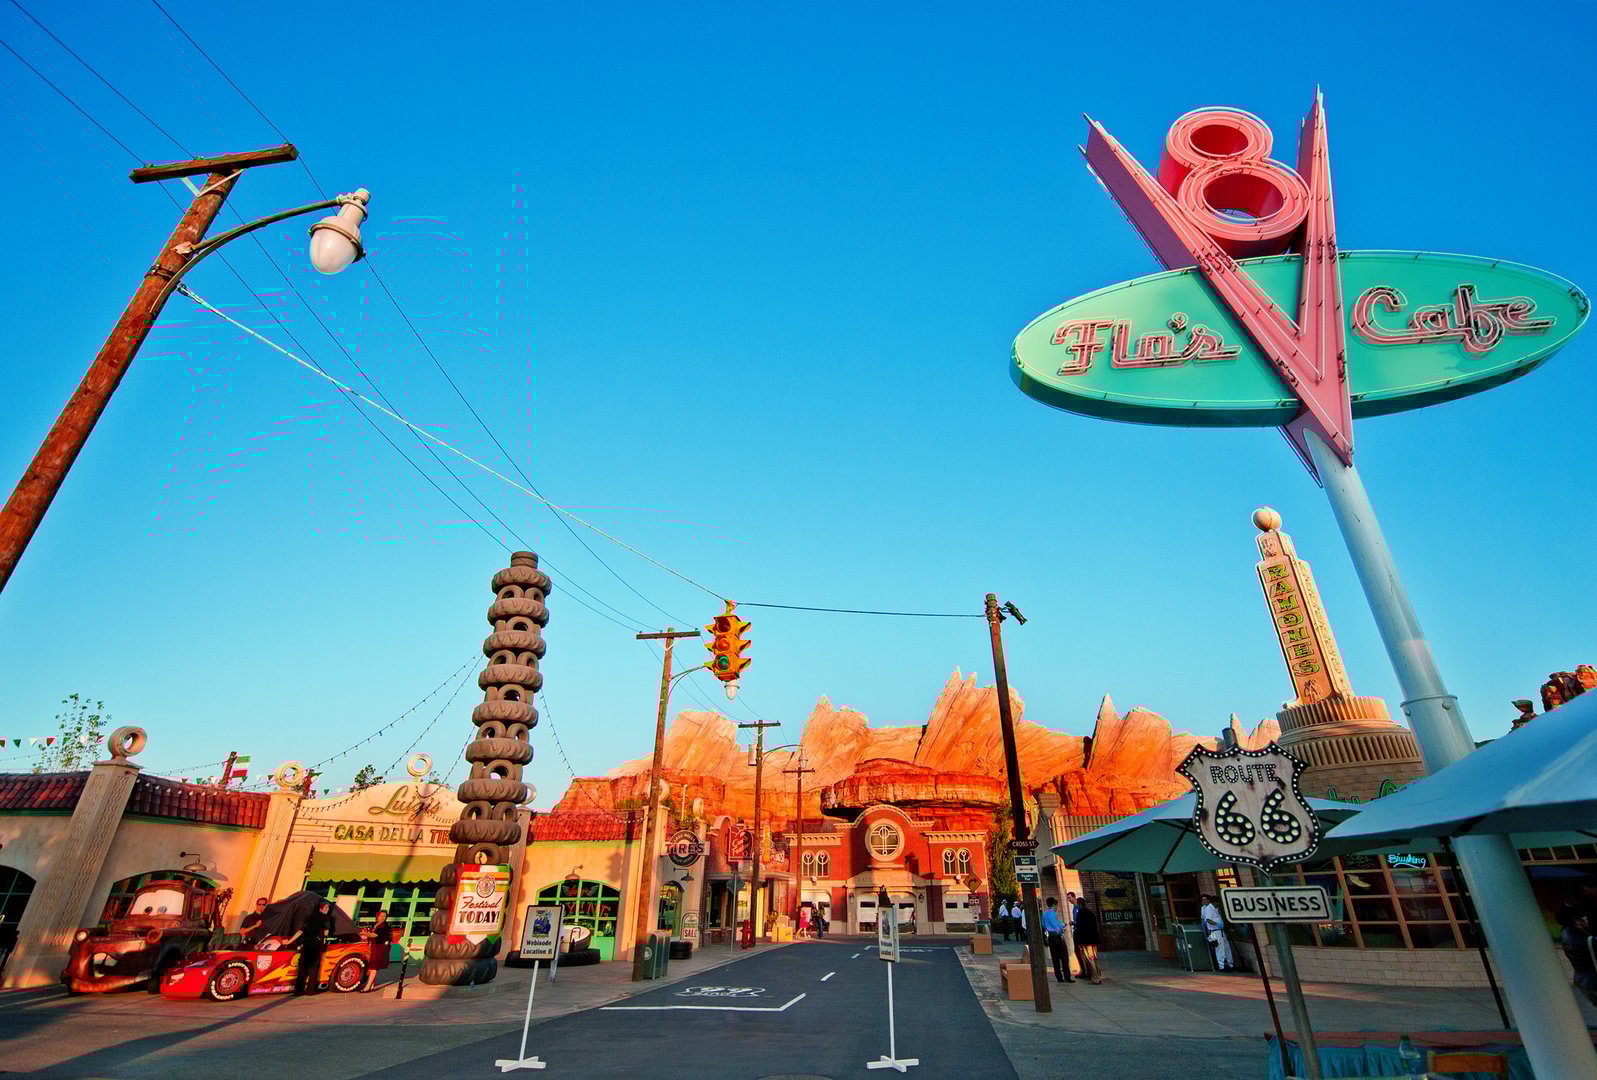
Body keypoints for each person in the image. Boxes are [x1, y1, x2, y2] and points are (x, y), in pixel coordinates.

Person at [289, 900, 333, 995]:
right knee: (314, 967)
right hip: (316, 944)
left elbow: (300, 931)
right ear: (321, 908)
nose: (328, 909)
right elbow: (326, 933)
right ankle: (310, 990)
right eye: (326, 907)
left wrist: (290, 941)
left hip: (306, 943)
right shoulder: (326, 919)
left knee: (303, 967)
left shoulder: (310, 918)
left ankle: (298, 990)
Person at [1558, 905, 1597, 1006]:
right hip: (1593, 980)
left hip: (1582, 981)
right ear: (1576, 921)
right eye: (1583, 916)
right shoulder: (1587, 940)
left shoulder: (1565, 934)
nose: (1586, 918)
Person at [1041, 897, 1075, 984]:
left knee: (1055, 958)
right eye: (1056, 905)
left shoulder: (1045, 914)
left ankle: (1059, 977)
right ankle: (1067, 976)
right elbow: (1056, 926)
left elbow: (1044, 925)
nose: (1057, 907)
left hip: (1051, 937)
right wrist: (1063, 926)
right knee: (1064, 957)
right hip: (1057, 937)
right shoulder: (1052, 913)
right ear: (1053, 904)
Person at [1072, 894, 1104, 984]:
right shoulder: (1090, 913)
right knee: (1094, 958)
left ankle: (1095, 977)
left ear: (1079, 904)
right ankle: (1098, 975)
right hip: (1093, 940)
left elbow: (1080, 927)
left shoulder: (1080, 914)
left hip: (1086, 941)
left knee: (1090, 959)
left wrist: (1079, 941)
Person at [361, 909, 396, 991]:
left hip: (381, 947)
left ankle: (367, 987)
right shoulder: (375, 924)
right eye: (381, 916)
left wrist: (364, 933)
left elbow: (375, 935)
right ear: (377, 916)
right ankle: (372, 985)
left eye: (384, 916)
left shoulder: (384, 925)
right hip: (374, 946)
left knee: (373, 966)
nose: (383, 917)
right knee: (372, 966)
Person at [1200, 893, 1235, 972]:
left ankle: (1230, 964)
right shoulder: (1208, 908)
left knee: (1226, 947)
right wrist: (1216, 924)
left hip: (1221, 931)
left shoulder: (1215, 909)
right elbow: (1208, 919)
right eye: (1218, 902)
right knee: (1219, 948)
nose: (1218, 904)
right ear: (1214, 902)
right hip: (1215, 931)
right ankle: (1222, 966)